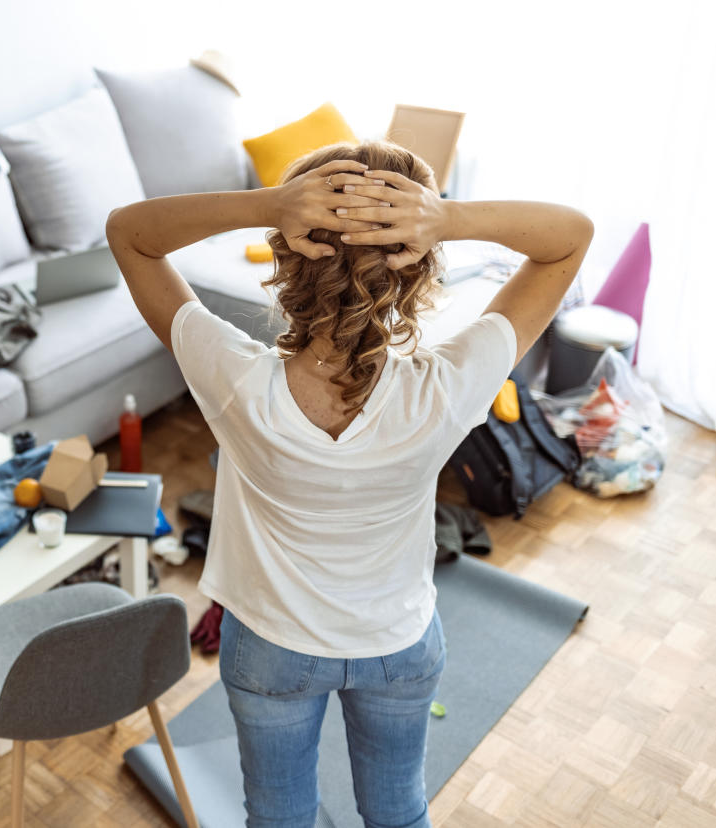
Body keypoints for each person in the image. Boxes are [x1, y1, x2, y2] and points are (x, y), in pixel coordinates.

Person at [106, 140, 592, 828]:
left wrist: (265, 205)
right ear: (418, 270)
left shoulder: (231, 377)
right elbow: (569, 238)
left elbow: (128, 233)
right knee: (397, 810)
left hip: (271, 649)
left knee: (276, 817)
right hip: (397, 646)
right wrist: (443, 218)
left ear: (284, 258)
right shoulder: (448, 387)